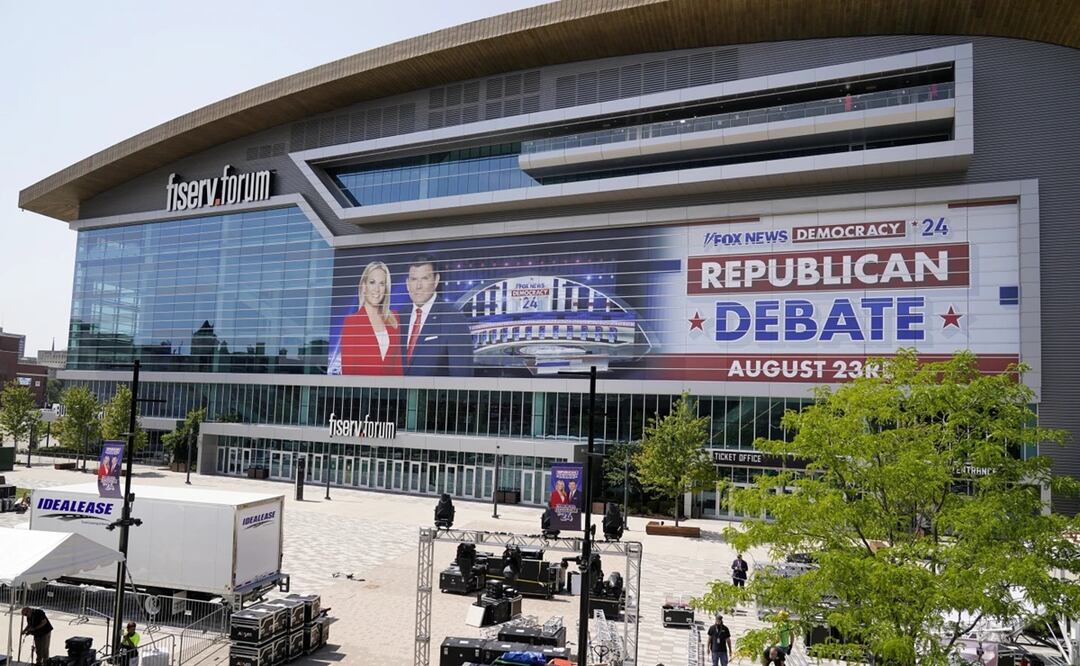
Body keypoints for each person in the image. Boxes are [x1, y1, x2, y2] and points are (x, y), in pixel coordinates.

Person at [401, 255, 474, 377]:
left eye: (424, 278)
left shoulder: (453, 319)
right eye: (413, 279)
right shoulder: (399, 317)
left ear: (436, 280)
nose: (418, 286)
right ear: (407, 283)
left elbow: (462, 377)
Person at [341, 261, 402, 376]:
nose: (377, 289)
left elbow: (398, 367)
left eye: (382, 284)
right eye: (372, 282)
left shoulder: (394, 319)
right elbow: (348, 371)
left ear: (386, 289)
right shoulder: (351, 322)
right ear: (364, 287)